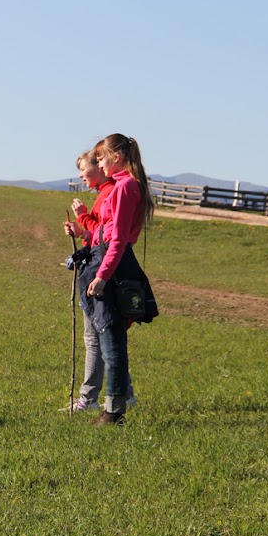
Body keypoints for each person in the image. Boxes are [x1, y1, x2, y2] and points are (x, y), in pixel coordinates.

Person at [78, 134, 157, 426]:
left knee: (111, 339)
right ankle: (113, 407)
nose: (98, 162)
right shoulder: (123, 185)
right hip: (109, 259)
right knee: (109, 336)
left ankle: (113, 411)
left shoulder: (126, 187)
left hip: (114, 264)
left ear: (117, 157)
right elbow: (106, 231)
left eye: (101, 157)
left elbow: (119, 238)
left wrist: (102, 275)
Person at [61, 148, 136, 412]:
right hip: (102, 264)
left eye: (84, 168)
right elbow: (98, 236)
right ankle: (125, 394)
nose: (81, 175)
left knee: (98, 336)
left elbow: (109, 236)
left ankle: (90, 399)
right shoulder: (110, 191)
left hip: (105, 268)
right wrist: (82, 230)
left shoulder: (116, 190)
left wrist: (83, 218)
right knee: (107, 337)